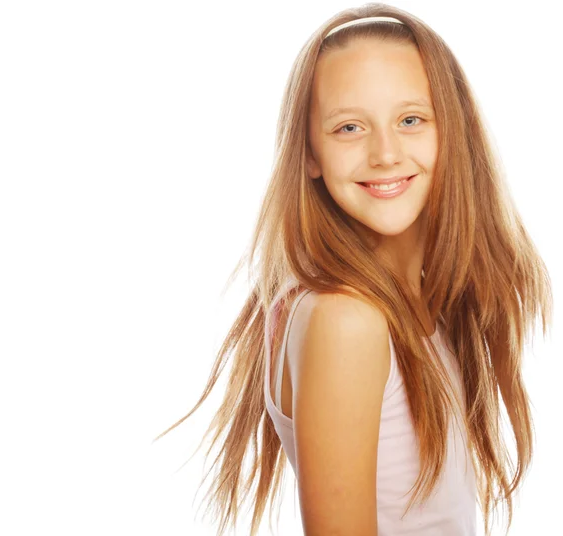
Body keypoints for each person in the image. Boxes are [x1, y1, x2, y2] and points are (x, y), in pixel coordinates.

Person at [154, 4, 553, 536]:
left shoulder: (414, 304)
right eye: (349, 127)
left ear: (451, 130)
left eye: (410, 119)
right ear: (311, 153)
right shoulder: (347, 319)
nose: (385, 153)